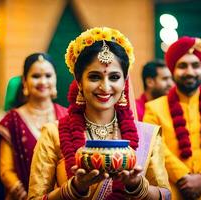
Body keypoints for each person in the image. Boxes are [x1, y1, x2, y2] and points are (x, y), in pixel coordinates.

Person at [28, 27, 171, 199]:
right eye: (95, 77)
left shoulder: (148, 135)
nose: (105, 87)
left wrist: (137, 186)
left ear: (125, 81)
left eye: (114, 77)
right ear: (79, 82)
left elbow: (166, 195)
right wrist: (74, 188)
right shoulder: (53, 134)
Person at [144, 36, 201, 200]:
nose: (189, 72)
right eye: (182, 66)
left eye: (195, 65)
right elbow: (154, 148)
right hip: (174, 191)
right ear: (173, 70)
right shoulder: (153, 109)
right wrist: (182, 176)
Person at [0, 53, 67, 200]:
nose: (43, 81)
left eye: (48, 75)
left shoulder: (66, 116)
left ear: (55, 79)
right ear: (25, 82)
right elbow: (6, 170)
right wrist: (26, 195)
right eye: (36, 76)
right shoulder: (12, 120)